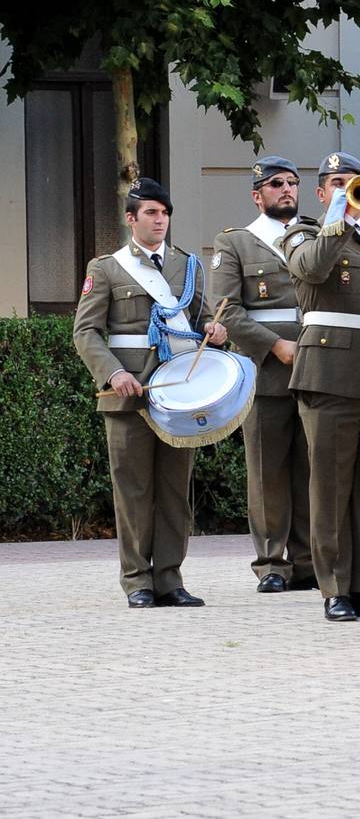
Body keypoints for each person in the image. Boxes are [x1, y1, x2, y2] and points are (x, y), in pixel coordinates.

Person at [72, 177, 228, 608]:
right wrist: (113, 374)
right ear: (131, 219)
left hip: (179, 395)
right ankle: (137, 580)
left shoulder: (186, 265)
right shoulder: (106, 268)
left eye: (165, 213)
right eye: (151, 213)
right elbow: (86, 333)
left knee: (175, 490)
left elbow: (199, 321)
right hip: (131, 394)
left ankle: (170, 580)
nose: (160, 221)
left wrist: (214, 332)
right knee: (134, 491)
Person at [276, 152, 360, 622]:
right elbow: (311, 270)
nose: (346, 189)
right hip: (328, 371)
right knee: (331, 485)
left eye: (354, 183)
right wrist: (338, 219)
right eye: (336, 183)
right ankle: (334, 586)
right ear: (320, 191)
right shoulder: (302, 233)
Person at [209, 155, 314, 593]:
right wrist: (274, 345)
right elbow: (226, 310)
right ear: (258, 196)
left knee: (313, 467)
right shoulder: (237, 243)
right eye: (276, 184)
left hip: (318, 363)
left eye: (292, 182)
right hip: (268, 369)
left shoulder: (313, 235)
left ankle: (309, 561)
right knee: (268, 469)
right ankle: (272, 563)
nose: (286, 190)